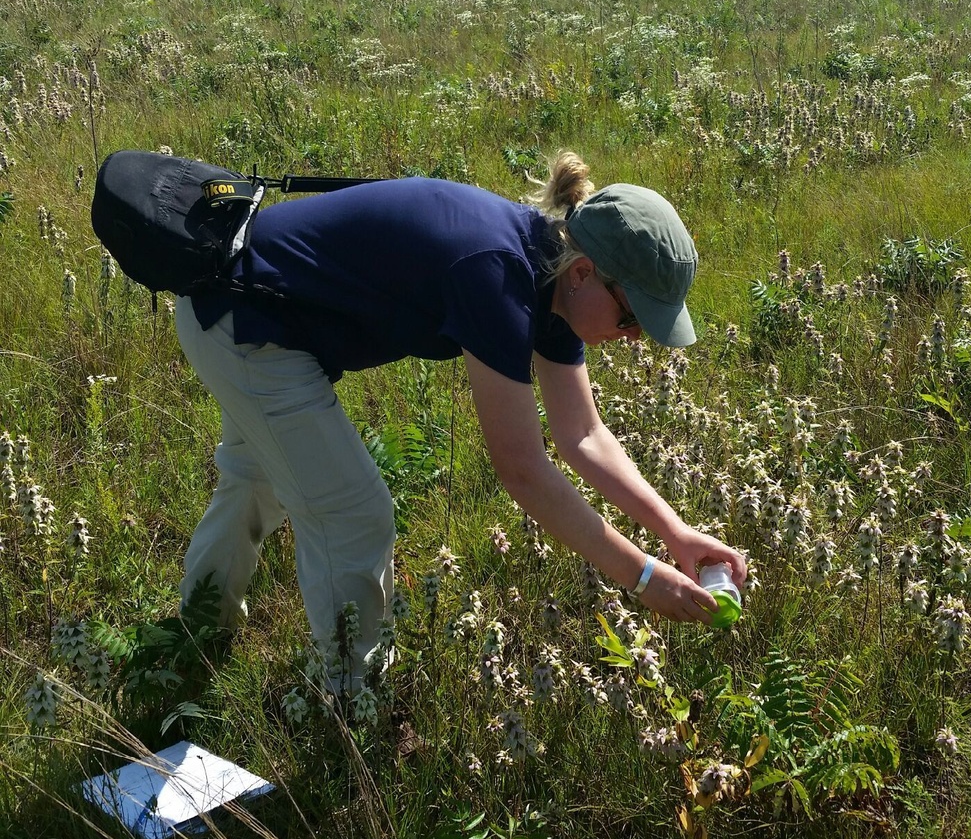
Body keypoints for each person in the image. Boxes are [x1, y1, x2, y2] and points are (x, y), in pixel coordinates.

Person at [173, 150, 746, 692]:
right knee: (353, 514)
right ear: (585, 273)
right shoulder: (496, 277)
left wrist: (675, 534)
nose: (633, 338)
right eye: (630, 317)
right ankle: (353, 698)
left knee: (258, 480)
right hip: (242, 321)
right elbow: (521, 469)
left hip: (249, 312)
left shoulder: (551, 273)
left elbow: (584, 436)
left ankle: (197, 630)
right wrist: (643, 578)